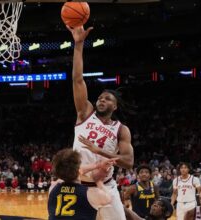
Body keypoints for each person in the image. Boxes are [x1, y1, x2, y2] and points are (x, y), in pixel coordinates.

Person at [67, 24, 134, 220]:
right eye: (100, 98)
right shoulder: (85, 113)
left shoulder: (121, 129)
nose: (102, 100)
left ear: (115, 107)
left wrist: (99, 151)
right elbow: (77, 80)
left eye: (108, 99)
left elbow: (129, 162)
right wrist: (78, 45)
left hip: (106, 187)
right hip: (78, 185)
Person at [48, 148, 113, 220]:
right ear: (78, 169)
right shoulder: (90, 193)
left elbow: (72, 172)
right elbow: (108, 199)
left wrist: (97, 165)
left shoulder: (52, 188)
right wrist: (98, 181)